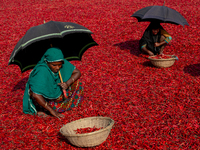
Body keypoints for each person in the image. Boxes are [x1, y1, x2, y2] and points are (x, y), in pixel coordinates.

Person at [23, 47, 83, 119]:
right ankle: (43, 109)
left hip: (57, 93)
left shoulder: (61, 62)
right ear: (47, 62)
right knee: (35, 90)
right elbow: (36, 95)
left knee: (76, 83)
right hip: (45, 99)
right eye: (54, 65)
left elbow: (77, 72)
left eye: (59, 65)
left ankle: (61, 105)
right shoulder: (41, 71)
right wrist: (52, 111)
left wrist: (67, 83)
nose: (57, 68)